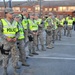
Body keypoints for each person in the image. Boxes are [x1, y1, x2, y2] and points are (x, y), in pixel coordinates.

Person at [0, 8, 19, 75]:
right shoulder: (2, 21)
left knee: (15, 56)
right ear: (6, 14)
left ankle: (14, 70)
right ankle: (5, 70)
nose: (12, 15)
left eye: (12, 13)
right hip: (6, 43)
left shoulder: (15, 22)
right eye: (11, 13)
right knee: (5, 57)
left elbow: (18, 32)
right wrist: (6, 37)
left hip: (13, 42)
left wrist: (16, 37)